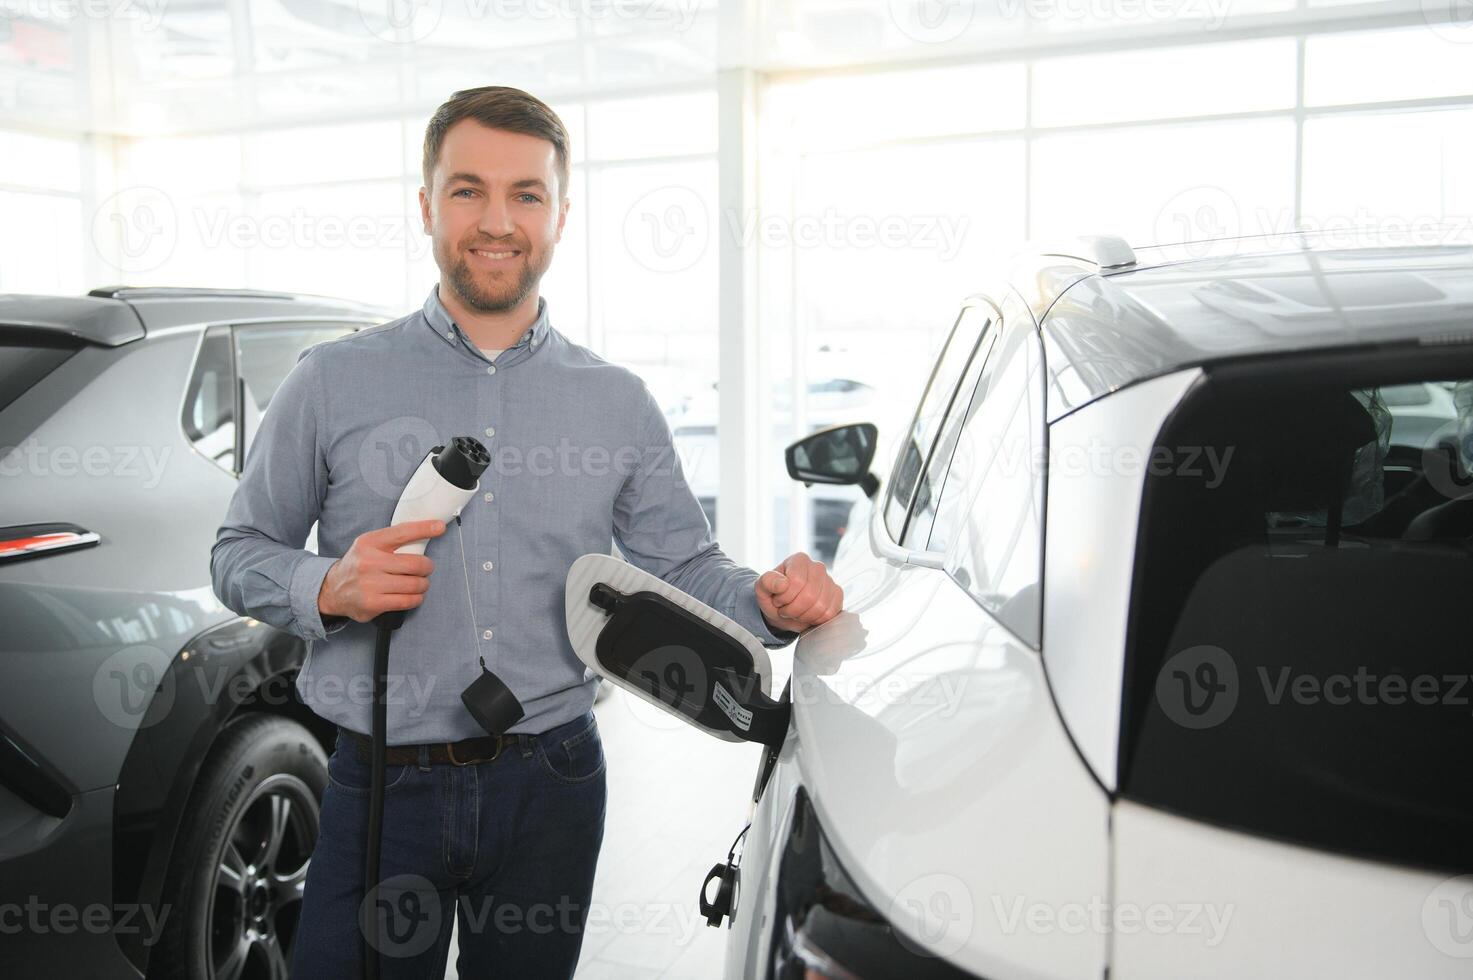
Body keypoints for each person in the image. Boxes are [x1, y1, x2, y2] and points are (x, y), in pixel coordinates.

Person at [209, 85, 843, 979]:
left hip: (552, 783)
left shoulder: (615, 401)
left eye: (526, 195)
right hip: (380, 782)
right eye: (467, 190)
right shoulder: (331, 381)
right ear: (426, 204)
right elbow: (235, 553)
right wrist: (326, 586)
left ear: (559, 215)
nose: (496, 220)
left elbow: (686, 564)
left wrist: (771, 604)